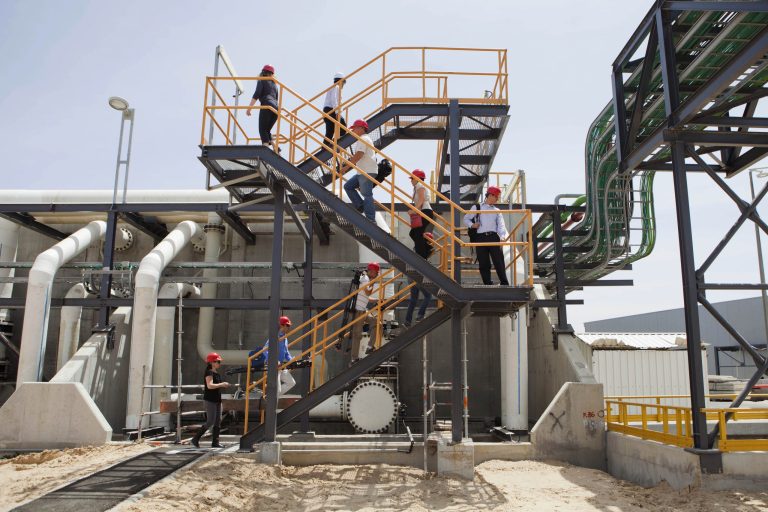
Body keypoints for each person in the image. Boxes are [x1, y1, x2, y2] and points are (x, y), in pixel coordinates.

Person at [464, 186, 510, 286]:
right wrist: (472, 225)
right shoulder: (477, 207)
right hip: (480, 238)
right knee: (484, 263)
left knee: (499, 262)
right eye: (496, 197)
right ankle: (488, 283)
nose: (497, 199)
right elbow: (466, 218)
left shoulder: (497, 210)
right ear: (490, 195)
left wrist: (502, 237)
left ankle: (504, 283)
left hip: (493, 237)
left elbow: (501, 225)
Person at [191, 352, 230, 448]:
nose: (219, 363)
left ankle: (215, 442)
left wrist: (222, 385)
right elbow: (210, 385)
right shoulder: (209, 372)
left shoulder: (215, 372)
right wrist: (222, 384)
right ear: (212, 362)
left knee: (218, 420)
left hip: (217, 399)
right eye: (218, 361)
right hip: (210, 400)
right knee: (210, 421)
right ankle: (195, 438)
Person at [249, 316, 296, 395]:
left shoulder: (285, 338)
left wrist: (291, 360)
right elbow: (265, 350)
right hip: (273, 367)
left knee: (291, 383)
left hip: (281, 366)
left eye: (289, 326)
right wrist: (274, 361)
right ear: (282, 325)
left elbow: (286, 352)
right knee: (277, 390)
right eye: (287, 325)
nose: (289, 328)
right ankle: (271, 398)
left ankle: (270, 397)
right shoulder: (275, 337)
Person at [341, 119, 377, 222]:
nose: (353, 131)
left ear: (361, 128)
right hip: (363, 171)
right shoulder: (363, 139)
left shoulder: (363, 139)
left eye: (354, 128)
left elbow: (359, 155)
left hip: (366, 171)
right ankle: (361, 206)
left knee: (367, 194)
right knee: (348, 186)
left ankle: (371, 219)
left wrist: (346, 167)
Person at [349, 262, 379, 365]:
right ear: (372, 272)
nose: (376, 275)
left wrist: (378, 300)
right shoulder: (365, 278)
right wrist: (373, 283)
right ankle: (354, 359)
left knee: (376, 322)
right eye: (376, 273)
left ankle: (370, 347)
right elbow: (367, 292)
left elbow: (366, 297)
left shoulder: (366, 279)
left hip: (363, 310)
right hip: (358, 311)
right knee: (357, 335)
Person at [246, 64, 279, 147]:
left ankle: (265, 149)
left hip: (267, 106)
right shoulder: (275, 85)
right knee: (267, 130)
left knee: (262, 129)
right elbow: (276, 98)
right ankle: (276, 149)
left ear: (263, 72)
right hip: (276, 109)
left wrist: (249, 108)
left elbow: (257, 93)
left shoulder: (262, 80)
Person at [408, 169, 435, 259]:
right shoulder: (417, 187)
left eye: (412, 178)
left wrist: (413, 210)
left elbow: (421, 200)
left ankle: (422, 256)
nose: (411, 180)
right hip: (423, 212)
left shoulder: (420, 185)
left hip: (425, 212)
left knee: (417, 233)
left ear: (417, 178)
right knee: (413, 233)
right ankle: (427, 249)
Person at [323, 72, 347, 148]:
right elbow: (334, 100)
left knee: (330, 131)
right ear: (341, 81)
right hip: (331, 110)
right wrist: (337, 112)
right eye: (343, 82)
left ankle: (325, 148)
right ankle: (335, 143)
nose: (343, 85)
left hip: (327, 110)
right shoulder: (336, 87)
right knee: (343, 127)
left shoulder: (334, 88)